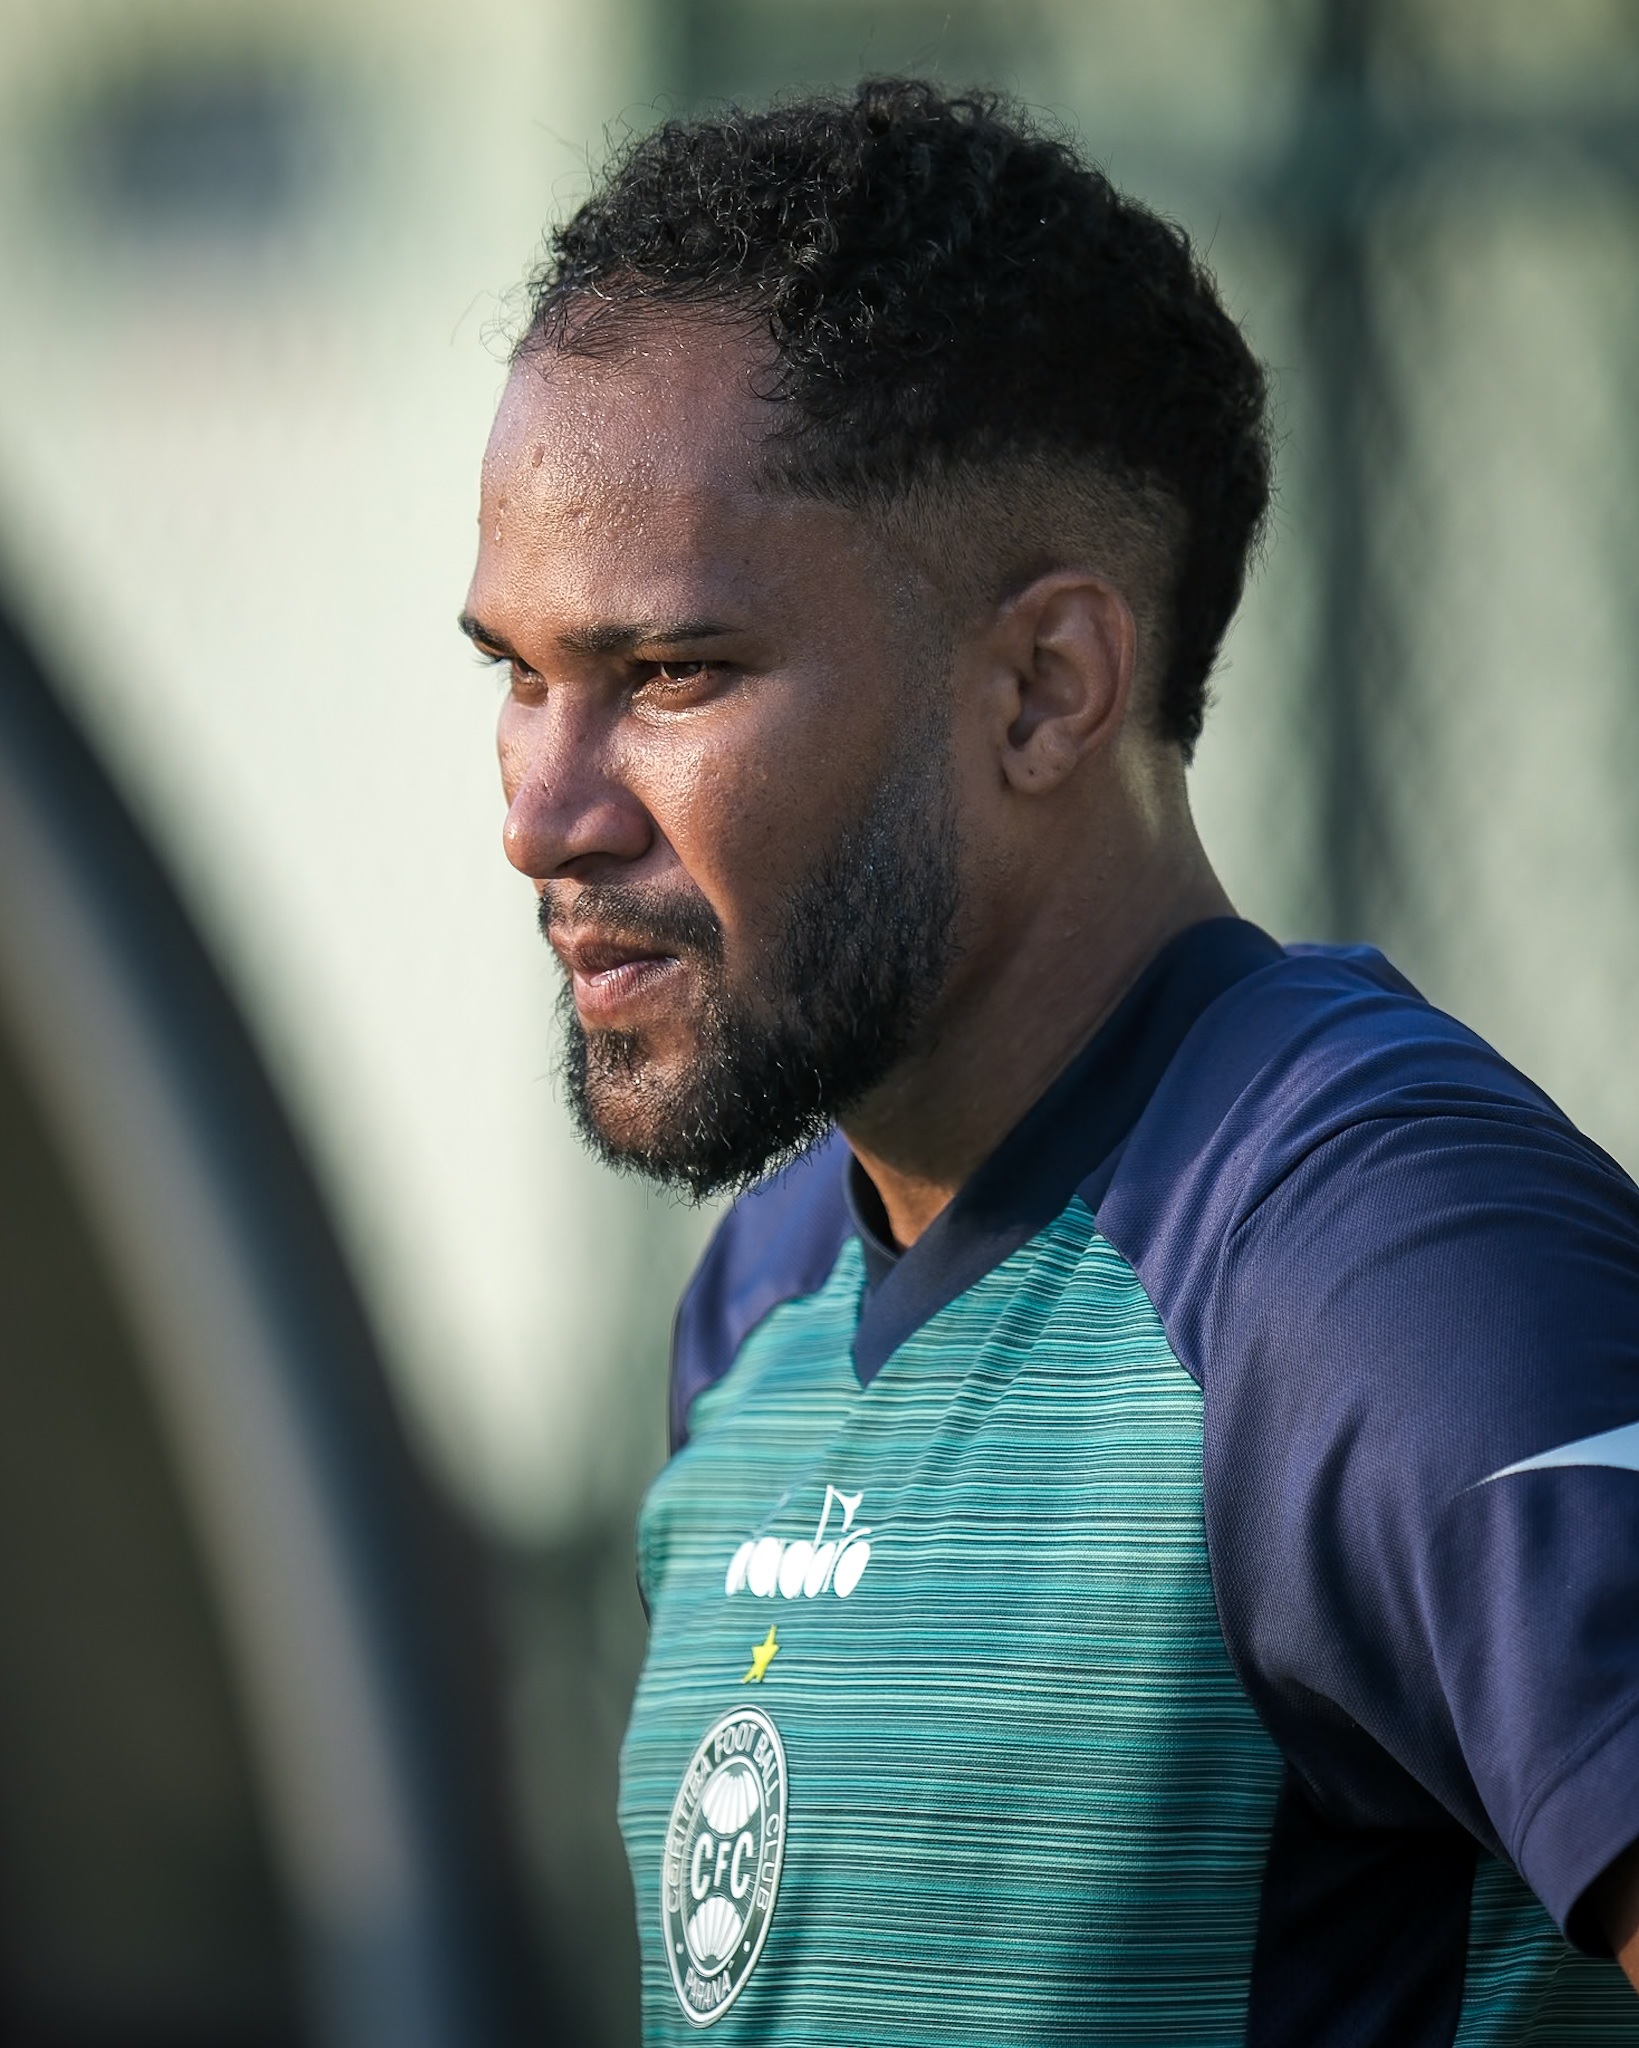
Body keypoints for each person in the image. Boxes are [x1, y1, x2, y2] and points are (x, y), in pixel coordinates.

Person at [461, 77, 1639, 2044]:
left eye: (668, 674)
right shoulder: (764, 1300)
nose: (543, 808)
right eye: (518, 671)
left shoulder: (1383, 1269)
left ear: (1043, 690)